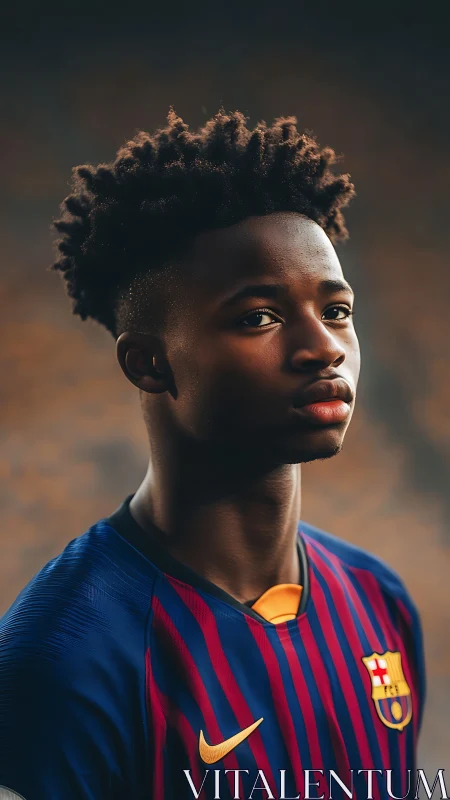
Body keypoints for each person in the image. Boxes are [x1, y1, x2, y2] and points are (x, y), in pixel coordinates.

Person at [0, 110, 425, 800]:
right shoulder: (62, 659)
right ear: (150, 365)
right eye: (259, 316)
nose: (324, 348)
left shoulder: (379, 601)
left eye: (337, 310)